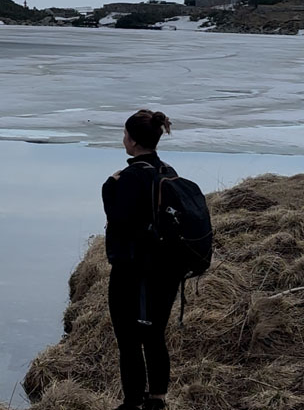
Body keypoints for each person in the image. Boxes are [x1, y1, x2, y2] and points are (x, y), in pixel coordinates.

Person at [101, 109, 180, 410]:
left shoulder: (129, 178)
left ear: (132, 142)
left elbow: (118, 219)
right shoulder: (168, 173)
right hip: (167, 270)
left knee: (129, 338)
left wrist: (109, 186)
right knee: (155, 335)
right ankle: (158, 399)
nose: (123, 140)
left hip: (132, 271)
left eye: (124, 135)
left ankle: (133, 401)